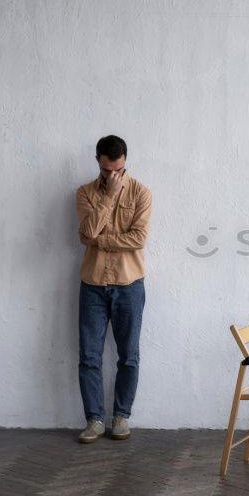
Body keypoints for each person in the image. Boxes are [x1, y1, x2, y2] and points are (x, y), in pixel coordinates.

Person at [74, 135, 152, 443]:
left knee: (128, 355)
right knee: (89, 356)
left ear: (124, 162)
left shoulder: (142, 193)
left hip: (130, 284)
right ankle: (94, 419)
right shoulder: (84, 193)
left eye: (118, 170)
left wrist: (99, 241)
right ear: (98, 162)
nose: (113, 176)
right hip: (92, 285)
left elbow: (139, 239)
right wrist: (109, 196)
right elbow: (86, 232)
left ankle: (121, 417)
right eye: (107, 171)